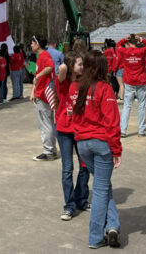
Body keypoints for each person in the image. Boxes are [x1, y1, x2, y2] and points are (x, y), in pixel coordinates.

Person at [72, 50, 121, 249]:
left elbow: (72, 116)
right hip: (100, 144)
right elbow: (112, 122)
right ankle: (95, 237)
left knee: (103, 186)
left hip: (83, 143)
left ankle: (113, 226)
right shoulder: (104, 88)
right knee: (101, 189)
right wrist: (117, 150)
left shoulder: (78, 87)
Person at [55, 51, 90, 221]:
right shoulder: (63, 82)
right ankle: (69, 206)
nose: (82, 67)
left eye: (83, 64)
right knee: (67, 169)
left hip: (81, 130)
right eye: (79, 64)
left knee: (85, 167)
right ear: (71, 67)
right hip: (64, 131)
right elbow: (61, 70)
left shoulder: (85, 82)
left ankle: (81, 200)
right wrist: (65, 65)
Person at [116, 34, 146, 137]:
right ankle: (141, 130)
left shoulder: (124, 51)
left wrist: (124, 39)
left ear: (128, 43)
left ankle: (123, 131)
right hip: (141, 81)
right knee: (141, 105)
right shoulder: (141, 51)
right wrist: (142, 39)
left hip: (129, 82)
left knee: (127, 106)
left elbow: (118, 45)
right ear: (137, 42)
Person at [31, 35, 58, 161]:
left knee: (45, 124)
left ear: (38, 44)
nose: (31, 45)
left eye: (32, 43)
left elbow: (50, 66)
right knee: (48, 123)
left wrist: (38, 76)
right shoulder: (41, 57)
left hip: (43, 94)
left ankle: (48, 151)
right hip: (40, 93)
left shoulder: (44, 56)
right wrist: (33, 91)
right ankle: (51, 149)